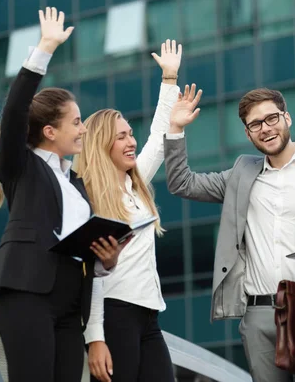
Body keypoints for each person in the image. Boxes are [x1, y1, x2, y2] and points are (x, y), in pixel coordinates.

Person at [0, 7, 127, 382]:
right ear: (49, 131)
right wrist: (44, 48)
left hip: (69, 302)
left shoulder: (76, 184)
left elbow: (82, 248)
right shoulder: (23, 167)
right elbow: (14, 113)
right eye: (76, 123)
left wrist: (107, 259)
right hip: (28, 293)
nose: (83, 130)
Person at [162, 87, 295, 382]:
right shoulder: (241, 173)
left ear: (287, 118)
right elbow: (182, 183)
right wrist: (175, 128)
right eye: (255, 124)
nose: (266, 128)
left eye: (271, 118)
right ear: (248, 134)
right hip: (258, 314)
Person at [74, 41, 201, 382]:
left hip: (148, 316)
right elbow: (93, 275)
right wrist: (95, 337)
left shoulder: (135, 184)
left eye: (131, 134)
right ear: (102, 145)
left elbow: (159, 138)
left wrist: (169, 79)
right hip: (114, 314)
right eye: (121, 137)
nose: (131, 142)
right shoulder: (87, 198)